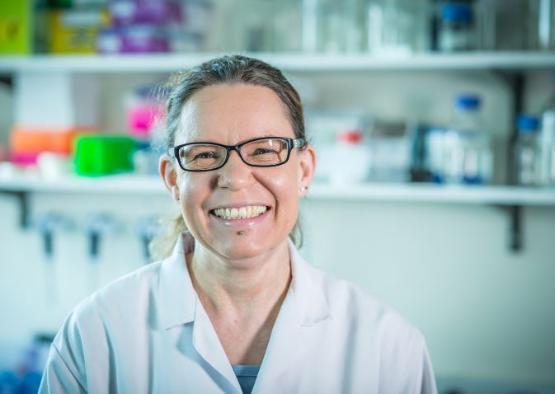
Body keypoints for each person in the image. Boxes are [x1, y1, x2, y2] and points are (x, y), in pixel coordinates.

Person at [39, 55, 437, 394]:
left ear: (304, 170)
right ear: (173, 179)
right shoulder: (97, 333)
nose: (235, 177)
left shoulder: (387, 346)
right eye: (205, 154)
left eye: (264, 150)